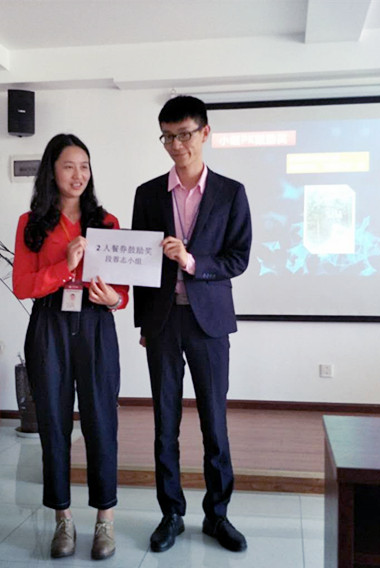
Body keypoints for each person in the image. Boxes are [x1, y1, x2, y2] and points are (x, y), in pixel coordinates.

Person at [132, 95, 252, 553]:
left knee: (214, 423)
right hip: (163, 322)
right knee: (165, 422)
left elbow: (238, 258)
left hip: (210, 324)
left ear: (205, 133)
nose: (177, 145)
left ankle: (217, 515)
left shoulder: (230, 192)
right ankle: (171, 514)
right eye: (168, 137)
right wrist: (144, 323)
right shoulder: (148, 194)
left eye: (184, 135)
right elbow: (141, 265)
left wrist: (192, 261)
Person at [12, 133, 129, 561]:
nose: (78, 175)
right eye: (68, 166)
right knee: (54, 425)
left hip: (96, 325)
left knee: (101, 421)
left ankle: (105, 519)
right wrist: (66, 266)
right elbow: (23, 286)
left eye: (84, 166)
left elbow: (121, 291)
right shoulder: (31, 223)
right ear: (52, 171)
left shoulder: (107, 222)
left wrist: (113, 299)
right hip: (49, 326)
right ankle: (63, 518)